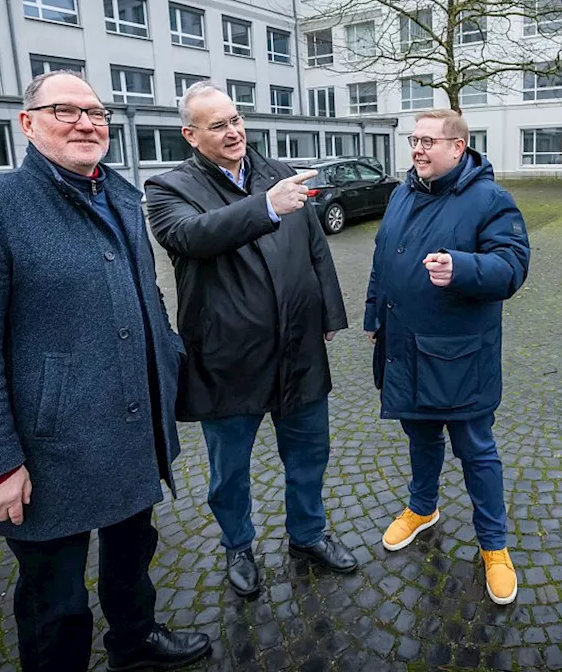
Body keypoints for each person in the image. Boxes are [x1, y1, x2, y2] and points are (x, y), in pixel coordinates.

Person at [0, 71, 210, 671]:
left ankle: (135, 644)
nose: (86, 122)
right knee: (55, 600)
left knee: (133, 556)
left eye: (96, 112)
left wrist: (169, 354)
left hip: (133, 428)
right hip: (50, 446)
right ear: (28, 123)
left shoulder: (123, 196)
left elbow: (145, 296)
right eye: (65, 110)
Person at [143, 82, 357, 598]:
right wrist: (266, 206)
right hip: (227, 355)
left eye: (236, 119)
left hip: (298, 347)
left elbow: (314, 249)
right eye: (218, 125)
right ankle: (238, 546)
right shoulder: (166, 188)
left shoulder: (279, 174)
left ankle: (307, 535)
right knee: (229, 469)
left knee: (309, 455)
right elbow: (193, 237)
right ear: (190, 135)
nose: (234, 131)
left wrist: (329, 310)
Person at [365, 109, 531, 605]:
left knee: (477, 451)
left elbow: (512, 266)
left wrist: (462, 267)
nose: (417, 149)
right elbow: (381, 260)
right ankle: (422, 509)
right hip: (406, 347)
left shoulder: (490, 199)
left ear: (458, 148)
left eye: (428, 141)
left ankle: (494, 547)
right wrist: (375, 317)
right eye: (414, 139)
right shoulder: (402, 192)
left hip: (460, 357)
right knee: (419, 435)